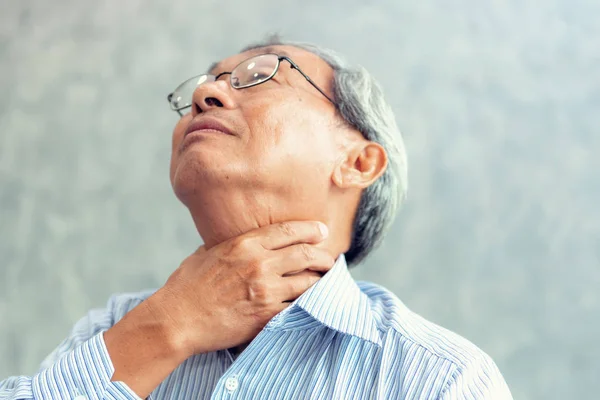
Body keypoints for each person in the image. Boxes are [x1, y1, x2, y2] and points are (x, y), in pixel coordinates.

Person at [0, 36, 513, 399]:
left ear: (359, 162)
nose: (205, 94)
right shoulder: (114, 329)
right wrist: (169, 323)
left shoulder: (441, 379)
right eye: (204, 85)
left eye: (259, 76)